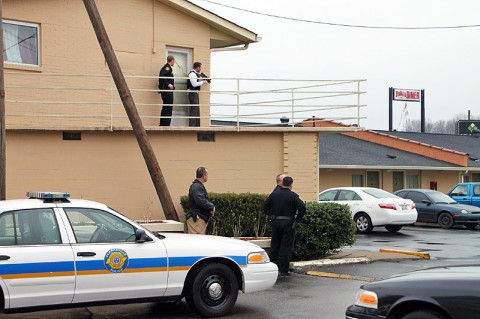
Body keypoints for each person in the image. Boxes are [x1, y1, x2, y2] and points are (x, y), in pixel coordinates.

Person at [264, 176, 305, 276]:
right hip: (288, 223)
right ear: (291, 184)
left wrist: (271, 215)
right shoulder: (293, 196)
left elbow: (265, 206)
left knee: (275, 245)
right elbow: (302, 207)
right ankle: (283, 269)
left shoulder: (274, 194)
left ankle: (272, 267)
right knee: (286, 247)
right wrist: (297, 218)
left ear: (282, 183)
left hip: (276, 222)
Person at [186, 167, 215, 234]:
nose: (207, 176)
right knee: (197, 241)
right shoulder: (197, 186)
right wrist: (211, 207)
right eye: (207, 174)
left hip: (197, 219)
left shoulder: (197, 186)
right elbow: (200, 200)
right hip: (196, 220)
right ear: (204, 175)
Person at [187, 62, 208, 127]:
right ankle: (192, 126)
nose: (201, 69)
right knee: (194, 109)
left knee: (196, 109)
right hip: (192, 92)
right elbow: (194, 84)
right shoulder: (192, 74)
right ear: (198, 67)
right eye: (200, 67)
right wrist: (203, 82)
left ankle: (196, 125)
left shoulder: (195, 74)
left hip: (195, 93)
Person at [158, 56, 175, 126]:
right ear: (172, 60)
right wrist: (169, 84)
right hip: (167, 91)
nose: (174, 62)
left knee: (166, 106)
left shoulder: (167, 68)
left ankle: (163, 123)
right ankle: (165, 123)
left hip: (166, 90)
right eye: (174, 61)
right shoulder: (167, 67)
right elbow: (163, 76)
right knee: (168, 106)